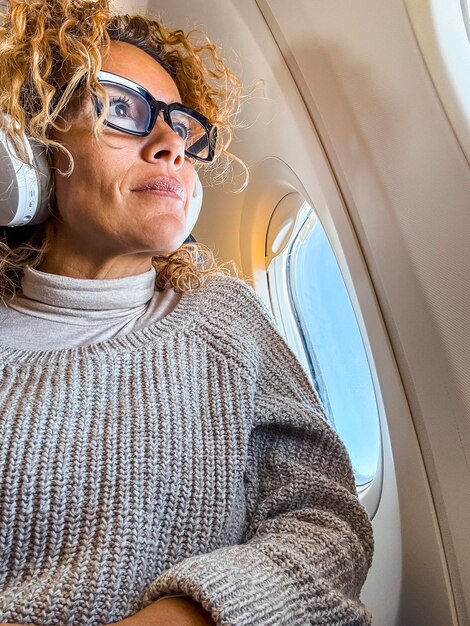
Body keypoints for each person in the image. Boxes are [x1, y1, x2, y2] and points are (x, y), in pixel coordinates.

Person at [0, 1, 374, 625]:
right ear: (34, 145)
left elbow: (328, 526)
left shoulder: (227, 324)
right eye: (121, 108)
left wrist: (187, 616)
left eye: (182, 125)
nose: (172, 143)